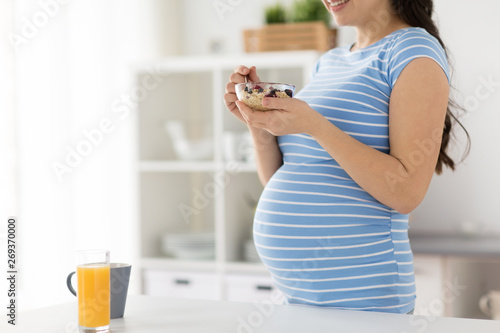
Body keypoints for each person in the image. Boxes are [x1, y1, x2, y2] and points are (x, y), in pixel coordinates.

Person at [223, 0, 469, 314]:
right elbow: (281, 179)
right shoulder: (330, 62)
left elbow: (406, 191)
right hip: (300, 300)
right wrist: (257, 123)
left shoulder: (413, 51)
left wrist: (315, 125)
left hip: (365, 302)